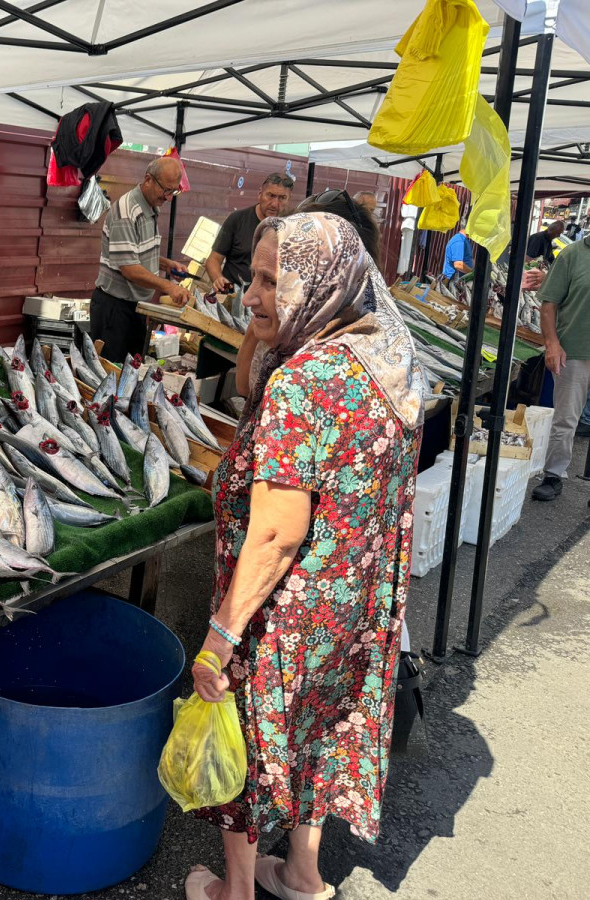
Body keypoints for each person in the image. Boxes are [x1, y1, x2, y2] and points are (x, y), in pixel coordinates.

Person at [184, 212, 425, 900]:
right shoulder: (383, 357)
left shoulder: (305, 383)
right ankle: (302, 873)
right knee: (317, 730)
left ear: (318, 283)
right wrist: (262, 340)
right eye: (252, 275)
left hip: (283, 606)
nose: (251, 294)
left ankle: (234, 888)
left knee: (248, 742)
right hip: (347, 609)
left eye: (270, 278)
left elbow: (276, 532)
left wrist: (221, 637)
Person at [234, 189, 382, 398]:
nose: (247, 299)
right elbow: (245, 386)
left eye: (274, 281)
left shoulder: (307, 381)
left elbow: (245, 386)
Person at [90, 156, 192, 363]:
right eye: (166, 190)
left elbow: (138, 253)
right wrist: (169, 287)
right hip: (114, 309)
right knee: (110, 372)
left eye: (174, 191)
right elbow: (129, 268)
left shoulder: (151, 206)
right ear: (148, 180)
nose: (169, 197)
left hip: (134, 306)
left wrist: (166, 264)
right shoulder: (127, 211)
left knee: (132, 369)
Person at [532, 231, 590, 501]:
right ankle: (554, 475)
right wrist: (552, 343)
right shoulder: (572, 254)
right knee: (566, 418)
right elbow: (549, 304)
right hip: (575, 351)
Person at [206, 174, 295, 292]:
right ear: (260, 194)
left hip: (267, 302)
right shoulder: (237, 219)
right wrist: (218, 279)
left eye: (282, 198)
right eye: (271, 195)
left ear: (289, 199)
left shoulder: (291, 228)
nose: (275, 204)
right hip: (232, 297)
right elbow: (213, 260)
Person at [439, 224, 474, 292]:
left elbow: (469, 259)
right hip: (452, 284)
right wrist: (472, 273)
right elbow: (458, 264)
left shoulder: (465, 240)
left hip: (460, 283)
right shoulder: (459, 241)